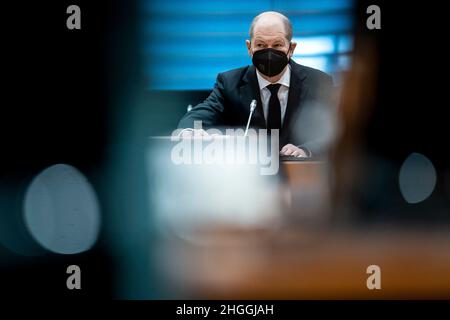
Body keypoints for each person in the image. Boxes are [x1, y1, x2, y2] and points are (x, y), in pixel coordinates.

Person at [178, 11, 333, 158]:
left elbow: (336, 131)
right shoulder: (230, 83)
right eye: (260, 45)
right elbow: (196, 117)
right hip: (248, 175)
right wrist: (190, 131)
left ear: (291, 48)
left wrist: (306, 150)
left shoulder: (317, 82)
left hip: (302, 175)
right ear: (249, 47)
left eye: (277, 45)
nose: (269, 52)